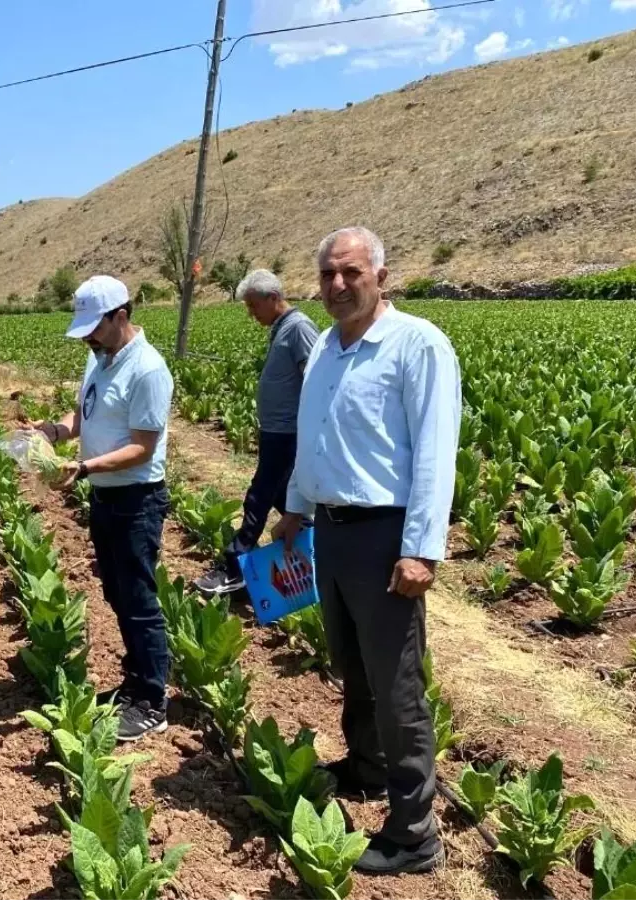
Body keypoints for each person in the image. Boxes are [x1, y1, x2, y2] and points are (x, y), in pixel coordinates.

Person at [273, 226, 461, 876]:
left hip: (386, 538)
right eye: (327, 274)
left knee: (397, 684)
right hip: (331, 530)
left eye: (350, 272)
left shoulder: (417, 345)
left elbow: (436, 454)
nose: (336, 285)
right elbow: (314, 438)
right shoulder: (325, 347)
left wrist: (421, 551)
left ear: (382, 276)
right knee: (349, 661)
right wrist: (296, 507)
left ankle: (415, 834)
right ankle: (365, 768)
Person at [37, 275, 175, 742]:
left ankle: (153, 699)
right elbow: (85, 413)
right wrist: (55, 431)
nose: (89, 339)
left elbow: (143, 446)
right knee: (117, 594)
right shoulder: (99, 360)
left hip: (136, 499)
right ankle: (133, 683)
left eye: (95, 328)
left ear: (122, 316)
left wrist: (85, 465)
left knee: (138, 599)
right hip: (104, 494)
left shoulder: (149, 370)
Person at [194, 268, 318, 596]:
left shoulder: (299, 327)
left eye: (253, 306)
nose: (251, 314)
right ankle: (321, 553)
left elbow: (316, 383)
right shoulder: (282, 329)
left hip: (288, 433)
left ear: (273, 298)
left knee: (258, 497)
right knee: (281, 497)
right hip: (276, 431)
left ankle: (235, 568)